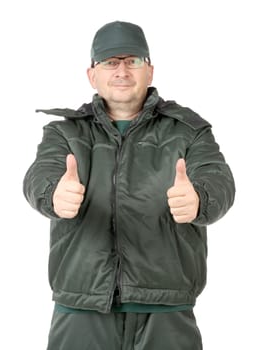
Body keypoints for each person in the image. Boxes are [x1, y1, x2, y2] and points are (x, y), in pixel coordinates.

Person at [23, 20, 235, 350]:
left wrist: (200, 199)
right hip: (81, 309)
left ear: (149, 71)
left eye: (132, 61)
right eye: (110, 62)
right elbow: (39, 177)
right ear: (92, 75)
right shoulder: (64, 133)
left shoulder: (188, 130)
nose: (121, 71)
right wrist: (52, 194)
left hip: (166, 310)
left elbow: (219, 180)